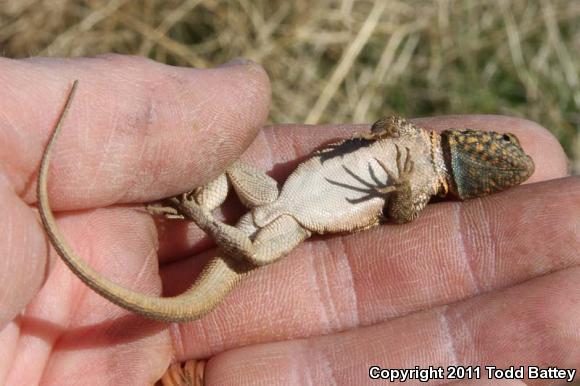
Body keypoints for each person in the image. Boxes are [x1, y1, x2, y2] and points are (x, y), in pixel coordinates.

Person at [0, 55, 576, 385]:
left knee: (249, 252)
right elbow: (377, 123)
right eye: (499, 145)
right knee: (223, 166)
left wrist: (404, 181)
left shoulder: (425, 188)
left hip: (291, 222)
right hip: (272, 190)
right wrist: (393, 127)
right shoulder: (415, 135)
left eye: (498, 159)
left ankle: (201, 215)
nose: (498, 150)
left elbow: (399, 216)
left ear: (473, 186)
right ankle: (194, 206)